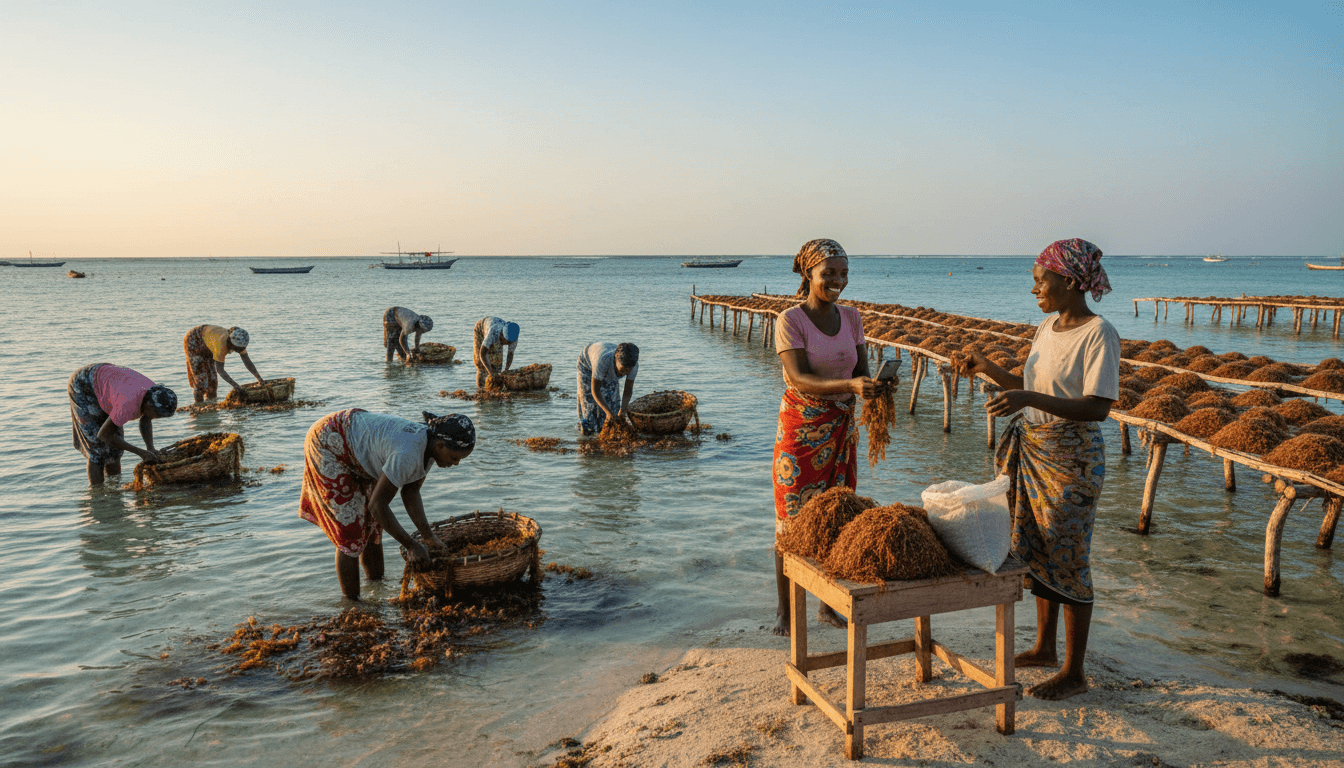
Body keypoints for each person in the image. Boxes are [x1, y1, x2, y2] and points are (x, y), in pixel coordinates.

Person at [952, 238, 1119, 701]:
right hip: (1035, 450)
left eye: (1041, 281)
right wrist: (987, 368)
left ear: (1070, 281)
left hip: (1072, 460)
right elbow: (1030, 385)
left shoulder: (1099, 333)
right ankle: (1045, 648)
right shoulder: (1047, 326)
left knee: (1069, 555)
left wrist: (1026, 398)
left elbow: (1098, 407)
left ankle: (1074, 672)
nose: (1034, 290)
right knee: (1039, 548)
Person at [772, 238, 881, 637]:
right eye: (829, 273)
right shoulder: (791, 320)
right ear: (809, 273)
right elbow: (800, 378)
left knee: (837, 514)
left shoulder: (851, 318)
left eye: (844, 273)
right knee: (791, 522)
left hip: (841, 429)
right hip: (800, 431)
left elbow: (861, 370)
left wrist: (873, 386)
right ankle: (785, 610)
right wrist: (850, 386)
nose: (838, 280)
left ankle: (826, 605)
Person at [299, 409, 476, 601]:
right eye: (455, 458)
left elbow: (410, 492)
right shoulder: (408, 453)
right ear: (440, 445)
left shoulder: (430, 447)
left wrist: (429, 537)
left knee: (373, 527)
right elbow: (377, 506)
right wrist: (411, 545)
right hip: (328, 441)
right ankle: (352, 604)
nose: (456, 464)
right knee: (351, 533)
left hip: (354, 444)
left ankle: (376, 587)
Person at [68, 363, 178, 485]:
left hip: (107, 384)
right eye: (157, 414)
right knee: (97, 451)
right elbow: (104, 434)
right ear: (148, 405)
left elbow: (146, 418)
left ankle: (114, 487)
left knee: (115, 450)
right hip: (84, 384)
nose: (157, 417)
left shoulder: (154, 393)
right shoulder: (128, 404)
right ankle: (97, 493)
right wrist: (140, 452)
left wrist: (150, 448)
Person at [182, 325, 264, 402]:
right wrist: (236, 386)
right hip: (194, 340)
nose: (238, 351)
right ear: (231, 344)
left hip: (209, 343)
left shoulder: (240, 342)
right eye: (237, 349)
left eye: (241, 349)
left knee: (213, 383)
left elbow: (247, 361)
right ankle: (198, 405)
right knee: (202, 381)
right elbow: (220, 370)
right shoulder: (221, 345)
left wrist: (259, 379)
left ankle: (211, 405)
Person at [576, 342, 638, 435]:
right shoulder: (603, 361)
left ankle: (602, 431)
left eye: (627, 371)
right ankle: (587, 434)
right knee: (589, 406)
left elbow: (628, 390)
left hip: (608, 367)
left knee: (614, 407)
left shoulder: (633, 366)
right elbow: (595, 390)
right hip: (587, 364)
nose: (625, 373)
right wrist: (608, 412)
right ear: (615, 360)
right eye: (622, 370)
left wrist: (623, 409)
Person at [473, 316, 520, 387]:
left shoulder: (513, 338)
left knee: (497, 365)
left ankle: (493, 386)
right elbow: (483, 353)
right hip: (481, 328)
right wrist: (491, 372)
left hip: (496, 330)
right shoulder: (493, 332)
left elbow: (510, 354)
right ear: (502, 334)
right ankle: (480, 388)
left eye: (507, 343)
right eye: (504, 341)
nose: (504, 344)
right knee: (481, 365)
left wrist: (506, 370)